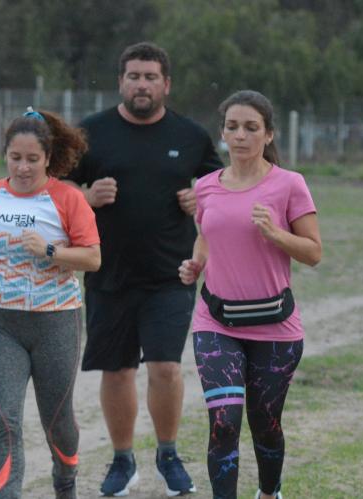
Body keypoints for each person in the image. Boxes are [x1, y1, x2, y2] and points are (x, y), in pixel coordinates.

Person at [62, 42, 223, 497]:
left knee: (166, 368)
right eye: (134, 76)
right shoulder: (90, 133)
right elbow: (56, 188)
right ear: (121, 82)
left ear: (166, 84)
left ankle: (168, 455)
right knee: (116, 372)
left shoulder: (191, 136)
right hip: (107, 272)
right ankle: (122, 459)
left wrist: (201, 197)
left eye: (151, 77)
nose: (142, 84)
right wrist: (85, 198)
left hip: (170, 275)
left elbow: (222, 188)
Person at [179, 90, 321, 499]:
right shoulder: (205, 187)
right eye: (232, 127)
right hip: (216, 322)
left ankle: (269, 492)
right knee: (224, 422)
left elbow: (313, 253)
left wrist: (276, 233)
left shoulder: (289, 184)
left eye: (250, 128)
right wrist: (195, 265)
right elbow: (206, 239)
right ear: (222, 133)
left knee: (265, 422)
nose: (239, 136)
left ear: (268, 134)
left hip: (275, 327)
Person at [0, 108, 100, 499]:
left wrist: (51, 249)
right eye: (15, 158)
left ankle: (65, 482)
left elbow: (92, 258)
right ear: (5, 155)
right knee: (4, 421)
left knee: (57, 422)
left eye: (32, 159)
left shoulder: (67, 198)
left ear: (47, 158)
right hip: (0, 323)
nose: (23, 167)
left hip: (56, 322)